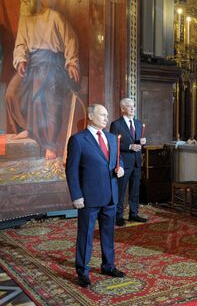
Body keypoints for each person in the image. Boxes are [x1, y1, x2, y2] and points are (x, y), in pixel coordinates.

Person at [6, 0, 79, 160]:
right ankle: (28, 129)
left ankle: (49, 144)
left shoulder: (53, 16)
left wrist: (71, 62)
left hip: (53, 63)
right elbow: (21, 43)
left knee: (44, 99)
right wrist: (21, 60)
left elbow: (71, 39)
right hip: (32, 63)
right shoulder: (25, 19)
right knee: (11, 93)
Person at [65, 104, 125, 288]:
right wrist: (76, 196)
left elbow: (117, 158)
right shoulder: (78, 140)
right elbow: (71, 170)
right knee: (86, 235)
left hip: (110, 196)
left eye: (107, 115)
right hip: (89, 198)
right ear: (91, 116)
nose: (107, 118)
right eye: (103, 115)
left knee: (108, 234)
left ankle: (108, 265)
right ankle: (82, 271)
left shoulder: (112, 138)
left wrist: (121, 167)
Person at [109, 98, 147, 227]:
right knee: (121, 191)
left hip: (137, 162)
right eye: (129, 106)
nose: (132, 109)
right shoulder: (116, 124)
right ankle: (118, 216)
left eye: (133, 106)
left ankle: (133, 213)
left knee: (135, 190)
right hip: (123, 163)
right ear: (122, 109)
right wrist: (129, 147)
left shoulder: (138, 123)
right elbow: (113, 144)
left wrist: (141, 142)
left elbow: (137, 141)